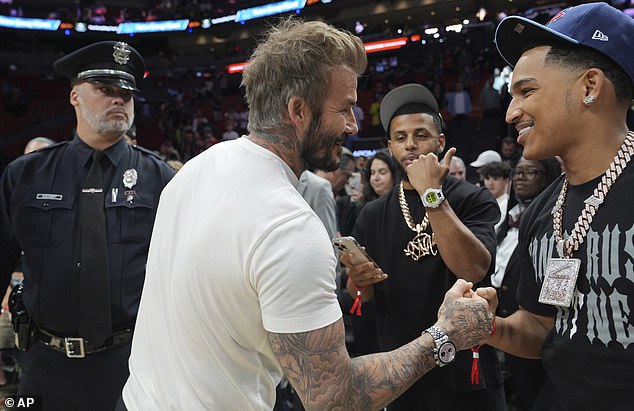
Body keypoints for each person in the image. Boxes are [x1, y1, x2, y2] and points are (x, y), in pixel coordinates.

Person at [120, 19, 494, 411]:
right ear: (298, 110)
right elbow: (334, 398)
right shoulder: (289, 225)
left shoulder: (197, 168)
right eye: (345, 108)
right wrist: (444, 335)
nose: (353, 124)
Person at [0, 41, 175, 410]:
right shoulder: (26, 176)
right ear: (75, 97)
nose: (119, 101)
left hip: (132, 363)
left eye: (126, 94)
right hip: (43, 365)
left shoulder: (159, 178)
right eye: (106, 90)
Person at [477, 3, 634, 410]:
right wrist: (485, 325)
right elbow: (541, 328)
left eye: (526, 91)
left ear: (589, 87)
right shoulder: (545, 209)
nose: (511, 112)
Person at [343, 83, 504, 411]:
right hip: (403, 369)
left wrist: (431, 194)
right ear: (390, 146)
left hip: (464, 370)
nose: (411, 145)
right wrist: (359, 280)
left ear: (440, 141)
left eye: (421, 135)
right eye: (400, 138)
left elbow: (473, 269)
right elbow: (362, 298)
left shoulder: (471, 199)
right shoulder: (372, 214)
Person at [492, 157, 561, 411]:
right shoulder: (506, 219)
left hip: (536, 332)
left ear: (548, 175)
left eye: (530, 171)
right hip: (504, 331)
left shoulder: (555, 221)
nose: (520, 177)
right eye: (517, 172)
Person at [477, 161, 512, 232]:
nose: (490, 183)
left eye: (495, 179)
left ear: (506, 181)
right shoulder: (482, 202)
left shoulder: (507, 203)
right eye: (487, 178)